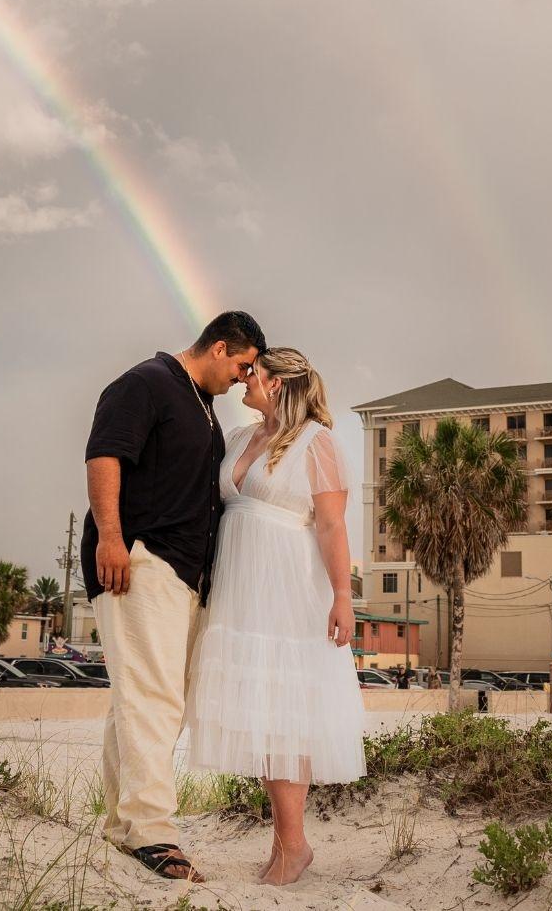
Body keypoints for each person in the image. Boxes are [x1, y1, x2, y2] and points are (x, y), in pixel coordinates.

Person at [81, 311, 266, 883]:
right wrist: (111, 539)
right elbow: (104, 455)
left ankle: (122, 824)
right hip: (142, 562)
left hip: (185, 573)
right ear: (217, 348)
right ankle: (154, 833)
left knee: (144, 700)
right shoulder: (146, 383)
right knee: (153, 700)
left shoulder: (201, 406)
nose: (242, 379)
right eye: (241, 367)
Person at [184, 347, 366, 886]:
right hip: (240, 590)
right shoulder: (241, 438)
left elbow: (331, 527)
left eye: (253, 374)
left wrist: (342, 594)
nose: (244, 380)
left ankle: (295, 845)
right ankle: (282, 842)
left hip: (287, 589)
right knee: (262, 712)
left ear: (279, 383)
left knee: (287, 713)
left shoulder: (317, 442)